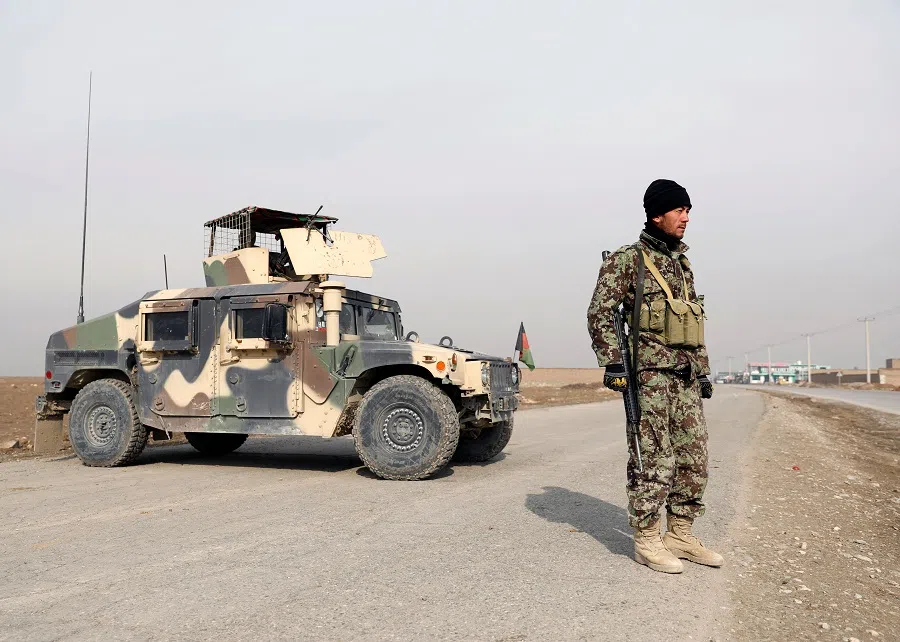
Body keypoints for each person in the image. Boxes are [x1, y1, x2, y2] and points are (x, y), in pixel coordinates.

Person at [586, 179, 723, 574]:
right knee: (653, 455)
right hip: (649, 378)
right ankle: (647, 539)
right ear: (656, 214)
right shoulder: (628, 260)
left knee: (694, 456)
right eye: (679, 210)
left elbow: (692, 320)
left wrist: (703, 371)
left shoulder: (682, 264)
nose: (686, 217)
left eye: (688, 210)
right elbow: (600, 312)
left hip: (684, 377)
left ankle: (679, 533)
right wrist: (613, 362)